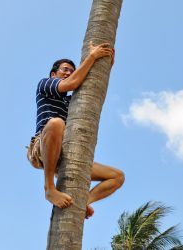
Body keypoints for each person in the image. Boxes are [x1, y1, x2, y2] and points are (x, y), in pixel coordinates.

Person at [27, 41, 124, 219]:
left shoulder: (70, 102)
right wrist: (93, 56)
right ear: (53, 73)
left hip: (64, 154)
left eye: (71, 70)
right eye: (64, 69)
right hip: (42, 147)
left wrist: (105, 66)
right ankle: (49, 187)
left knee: (117, 177)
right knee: (56, 123)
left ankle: (84, 201)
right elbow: (72, 83)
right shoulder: (45, 84)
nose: (68, 73)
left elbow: (91, 88)